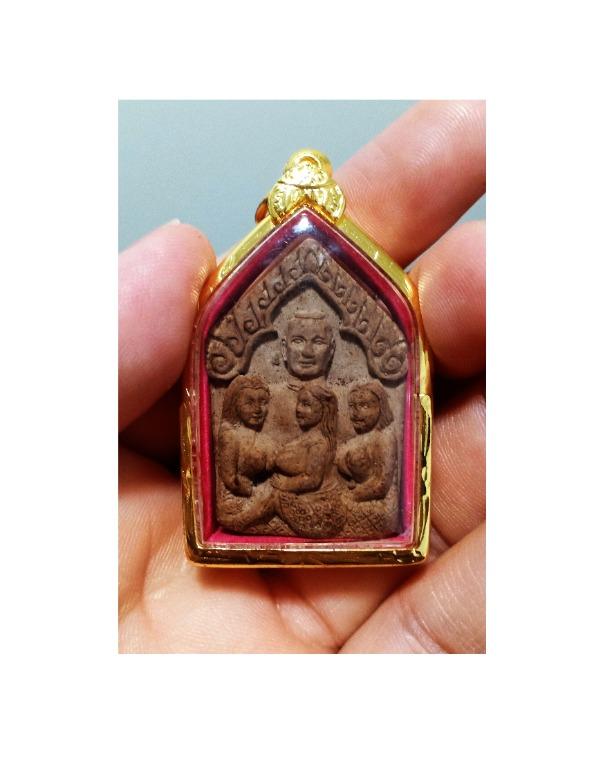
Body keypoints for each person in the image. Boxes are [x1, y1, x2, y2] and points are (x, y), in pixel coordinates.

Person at [119, 100, 486, 652]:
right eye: (299, 342)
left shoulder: (350, 420)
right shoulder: (258, 409)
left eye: (320, 343)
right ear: (283, 344)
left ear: (335, 346)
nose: (310, 351)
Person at [266, 382, 344, 538]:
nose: (298, 409)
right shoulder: (308, 436)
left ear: (324, 409)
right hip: (307, 499)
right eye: (299, 403)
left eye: (306, 404)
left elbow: (312, 479)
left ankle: (242, 521)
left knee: (275, 497)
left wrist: (285, 484)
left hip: (319, 510)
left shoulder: (319, 443)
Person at [214, 375, 277, 532]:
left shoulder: (265, 439)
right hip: (238, 501)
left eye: (263, 402)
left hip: (260, 494)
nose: (258, 409)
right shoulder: (230, 434)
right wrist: (256, 492)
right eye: (249, 402)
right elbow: (230, 480)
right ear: (235, 404)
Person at [336, 382, 399, 537]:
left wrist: (351, 496)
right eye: (352, 406)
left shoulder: (385, 437)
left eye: (364, 406)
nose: (356, 413)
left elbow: (382, 484)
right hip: (356, 494)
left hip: (377, 502)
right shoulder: (355, 441)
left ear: (381, 407)